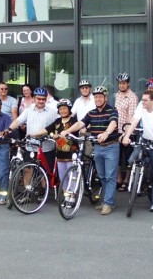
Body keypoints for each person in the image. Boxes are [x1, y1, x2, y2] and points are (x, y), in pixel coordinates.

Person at [60, 86, 119, 216]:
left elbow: (113, 123)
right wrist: (67, 131)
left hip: (111, 146)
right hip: (98, 147)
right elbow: (81, 123)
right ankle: (108, 200)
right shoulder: (92, 113)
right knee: (102, 176)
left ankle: (108, 203)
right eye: (96, 96)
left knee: (110, 176)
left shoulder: (112, 110)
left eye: (100, 96)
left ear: (105, 98)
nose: (98, 99)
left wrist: (107, 133)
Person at [122, 90, 153, 212]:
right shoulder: (141, 108)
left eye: (146, 100)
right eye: (142, 100)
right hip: (144, 140)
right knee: (131, 160)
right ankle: (143, 173)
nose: (143, 102)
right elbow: (134, 122)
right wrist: (127, 136)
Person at [6, 87, 58, 180]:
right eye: (39, 99)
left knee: (44, 173)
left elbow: (58, 125)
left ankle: (44, 192)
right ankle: (27, 193)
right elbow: (18, 121)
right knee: (28, 170)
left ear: (46, 99)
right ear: (34, 98)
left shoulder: (53, 112)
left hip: (46, 147)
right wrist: (9, 129)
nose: (41, 101)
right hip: (31, 145)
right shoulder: (29, 110)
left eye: (43, 99)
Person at [32, 99, 78, 199]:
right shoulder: (57, 121)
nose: (63, 111)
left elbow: (75, 134)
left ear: (69, 109)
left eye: (65, 108)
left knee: (72, 176)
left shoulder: (73, 121)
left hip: (71, 153)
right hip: (60, 154)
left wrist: (61, 137)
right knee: (62, 177)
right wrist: (33, 134)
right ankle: (66, 195)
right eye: (60, 109)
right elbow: (47, 129)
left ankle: (72, 195)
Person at [114, 72, 138, 191]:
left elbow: (131, 117)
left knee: (128, 158)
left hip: (128, 132)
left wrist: (125, 134)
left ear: (128, 84)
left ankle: (127, 179)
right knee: (117, 157)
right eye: (120, 83)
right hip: (116, 130)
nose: (121, 85)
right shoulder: (117, 95)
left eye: (124, 83)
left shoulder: (132, 97)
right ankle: (118, 178)